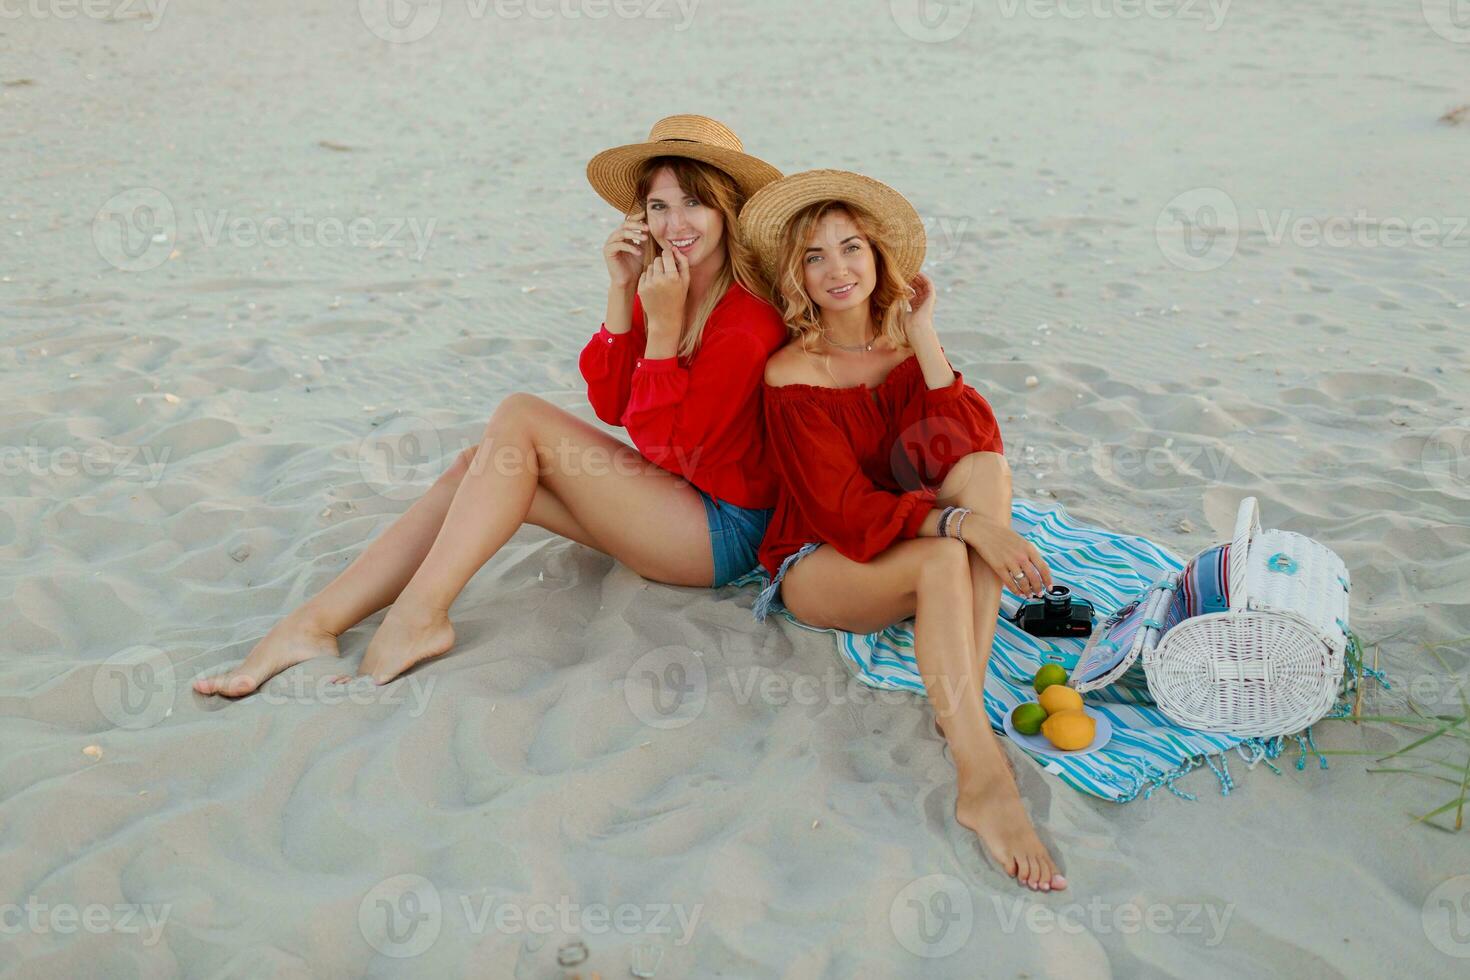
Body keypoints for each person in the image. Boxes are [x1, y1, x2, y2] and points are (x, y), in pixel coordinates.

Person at [195, 115, 787, 696]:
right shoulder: (665, 284)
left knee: (522, 417)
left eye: (693, 204)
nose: (675, 223)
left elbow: (669, 444)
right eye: (659, 207)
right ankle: (312, 625)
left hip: (721, 532)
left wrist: (659, 333)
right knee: (479, 468)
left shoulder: (744, 320)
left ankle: (419, 618)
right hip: (674, 496)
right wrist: (621, 290)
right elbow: (610, 404)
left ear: (725, 210)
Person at [741, 170, 1067, 891]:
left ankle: (962, 694)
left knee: (986, 474)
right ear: (796, 276)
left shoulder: (900, 348)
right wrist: (961, 526)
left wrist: (922, 334)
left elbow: (973, 443)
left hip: (903, 529)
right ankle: (980, 774)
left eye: (850, 247)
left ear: (879, 258)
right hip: (821, 558)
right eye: (814, 257)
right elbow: (844, 510)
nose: (837, 270)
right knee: (947, 560)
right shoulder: (792, 374)